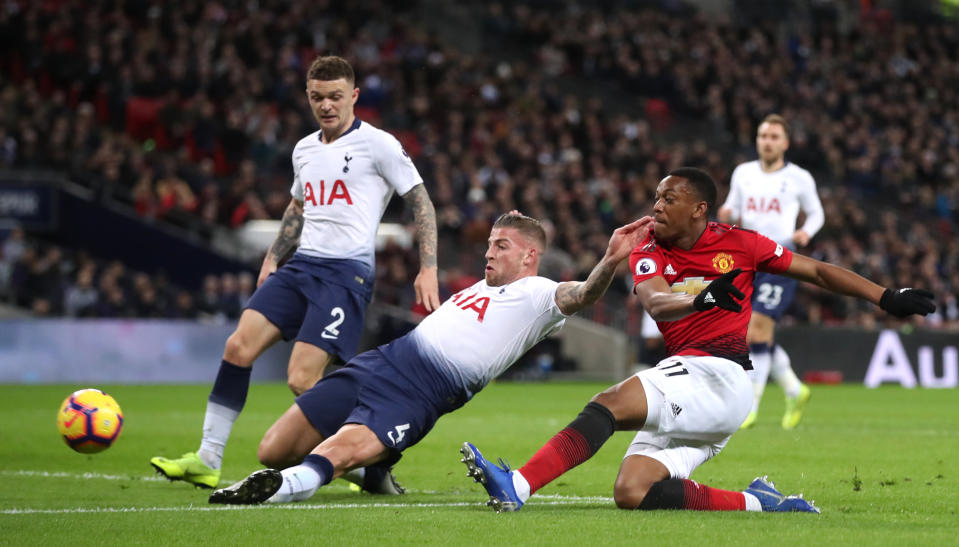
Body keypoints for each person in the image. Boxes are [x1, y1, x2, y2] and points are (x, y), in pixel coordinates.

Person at [462, 167, 934, 513]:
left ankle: (519, 486)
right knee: (633, 492)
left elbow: (815, 271)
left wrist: (885, 295)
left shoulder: (742, 244)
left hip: (722, 376)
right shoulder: (648, 248)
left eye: (669, 199)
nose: (657, 207)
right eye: (656, 197)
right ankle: (761, 503)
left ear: (699, 209)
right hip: (692, 382)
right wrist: (701, 298)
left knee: (610, 402)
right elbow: (656, 302)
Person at [205, 212, 653, 505]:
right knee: (273, 449)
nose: (487, 251)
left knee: (333, 454)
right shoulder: (479, 285)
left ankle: (277, 493)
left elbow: (582, 294)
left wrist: (611, 260)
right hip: (380, 362)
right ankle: (375, 468)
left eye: (500, 245)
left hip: (419, 394)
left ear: (529, 255)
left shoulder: (539, 295)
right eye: (490, 243)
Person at [150, 56, 441, 494]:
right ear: (308, 97)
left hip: (345, 276)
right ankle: (207, 458)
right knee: (238, 346)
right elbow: (297, 208)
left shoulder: (378, 144)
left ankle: (365, 462)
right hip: (300, 266)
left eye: (336, 97)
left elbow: (421, 201)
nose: (326, 105)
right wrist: (272, 258)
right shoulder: (304, 149)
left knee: (301, 379)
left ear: (354, 97)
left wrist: (429, 267)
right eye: (317, 97)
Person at [717, 114, 825, 429]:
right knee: (751, 331)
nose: (767, 141)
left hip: (780, 257)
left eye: (774, 136)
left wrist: (806, 231)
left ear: (785, 143)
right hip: (746, 256)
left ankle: (749, 406)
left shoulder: (799, 177)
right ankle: (794, 388)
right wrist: (727, 213)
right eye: (763, 135)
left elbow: (817, 212)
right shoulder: (743, 173)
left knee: (758, 330)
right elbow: (732, 207)